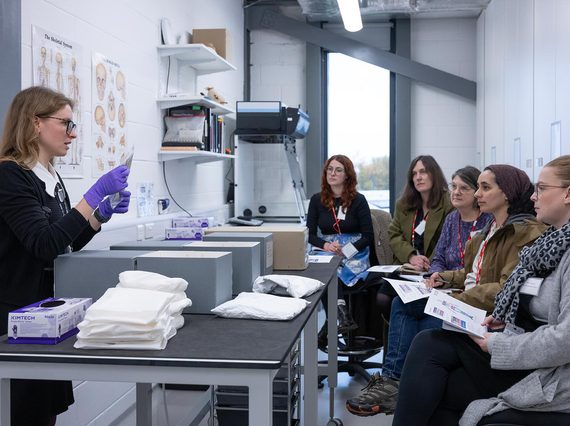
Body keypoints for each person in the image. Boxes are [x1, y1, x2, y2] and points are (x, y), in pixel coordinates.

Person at [346, 164, 546, 417]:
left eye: (483, 188)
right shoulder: (490, 228)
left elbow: (505, 289)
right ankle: (393, 380)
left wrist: (457, 295)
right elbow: (472, 272)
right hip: (467, 297)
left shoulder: (519, 232)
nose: (475, 194)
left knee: (416, 318)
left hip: (484, 313)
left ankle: (393, 379)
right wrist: (443, 277)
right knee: (401, 301)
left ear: (506, 193)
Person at [391, 156, 570, 426]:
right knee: (432, 376)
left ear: (567, 194)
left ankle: (390, 379)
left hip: (550, 373)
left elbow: (564, 341)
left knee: (430, 351)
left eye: (542, 189)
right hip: (523, 345)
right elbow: (525, 296)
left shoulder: (538, 239)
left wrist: (500, 343)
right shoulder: (550, 242)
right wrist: (505, 319)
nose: (534, 196)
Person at [0, 86, 131, 425]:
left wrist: (99, 215)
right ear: (35, 123)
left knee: (44, 414)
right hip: (15, 317)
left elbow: (63, 245)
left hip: (47, 314)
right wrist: (93, 194)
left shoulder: (51, 176)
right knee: (25, 413)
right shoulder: (10, 175)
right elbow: (42, 243)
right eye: (66, 124)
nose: (73, 134)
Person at [374, 155, 453, 325]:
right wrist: (411, 256)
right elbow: (393, 234)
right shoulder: (404, 204)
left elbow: (449, 241)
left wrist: (427, 263)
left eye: (423, 172)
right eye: (414, 173)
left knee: (409, 304)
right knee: (382, 299)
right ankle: (401, 334)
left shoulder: (448, 204)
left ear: (434, 174)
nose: (418, 177)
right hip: (407, 268)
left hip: (433, 270)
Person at [307, 155, 376, 345]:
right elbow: (310, 234)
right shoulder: (316, 200)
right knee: (324, 269)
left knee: (332, 271)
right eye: (329, 169)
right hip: (327, 250)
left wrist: (346, 250)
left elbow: (368, 236)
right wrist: (326, 245)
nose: (332, 173)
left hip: (354, 252)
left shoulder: (359, 200)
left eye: (338, 170)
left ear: (347, 175)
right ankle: (342, 317)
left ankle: (333, 321)